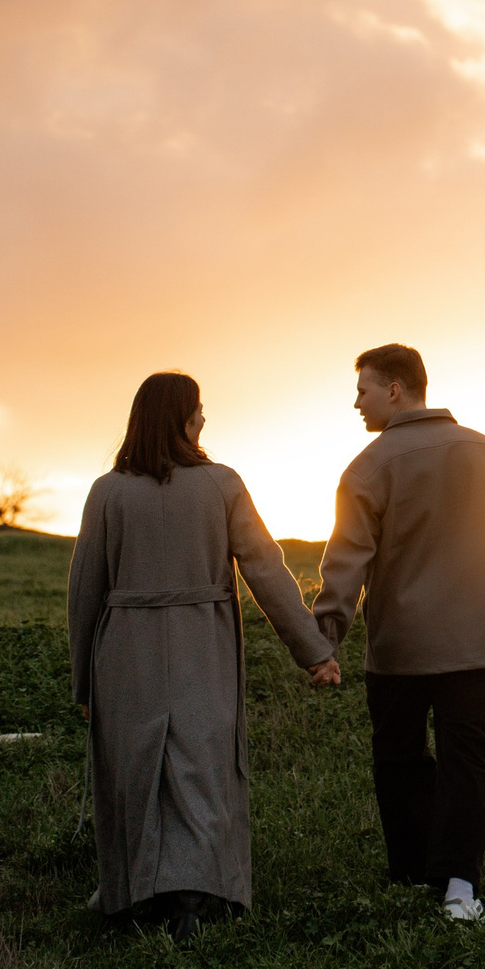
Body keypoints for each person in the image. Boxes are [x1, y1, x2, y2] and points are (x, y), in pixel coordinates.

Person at [67, 371, 340, 939]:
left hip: (126, 649)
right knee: (199, 759)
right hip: (202, 641)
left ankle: (133, 893)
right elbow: (266, 569)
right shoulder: (221, 484)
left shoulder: (108, 491)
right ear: (181, 418)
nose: (205, 419)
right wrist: (313, 650)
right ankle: (190, 897)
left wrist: (83, 685)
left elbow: (84, 593)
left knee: (134, 764)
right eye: (198, 409)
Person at [312, 344, 485, 922]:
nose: (355, 402)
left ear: (395, 389)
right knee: (470, 763)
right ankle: (460, 888)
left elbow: (347, 564)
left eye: (362, 389)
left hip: (402, 653)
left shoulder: (368, 468)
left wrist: (323, 641)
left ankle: (413, 874)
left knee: (399, 760)